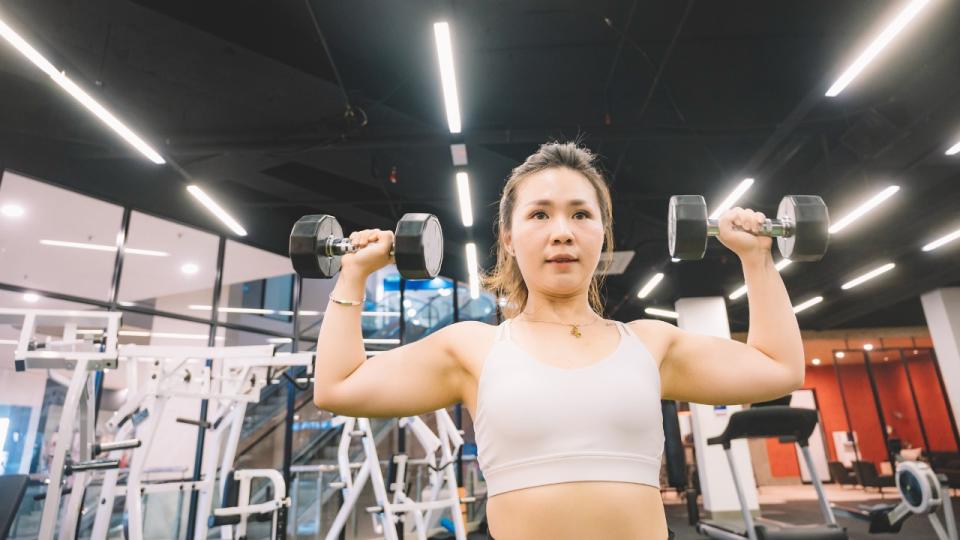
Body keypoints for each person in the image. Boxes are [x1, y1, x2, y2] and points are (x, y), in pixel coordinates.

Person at [312, 142, 806, 540]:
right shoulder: (472, 349)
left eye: (581, 215)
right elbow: (338, 387)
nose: (563, 233)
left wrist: (757, 260)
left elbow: (778, 369)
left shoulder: (652, 346)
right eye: (540, 215)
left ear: (602, 232)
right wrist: (352, 275)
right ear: (508, 236)